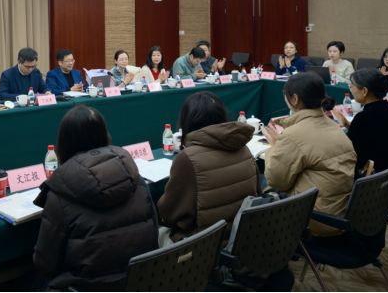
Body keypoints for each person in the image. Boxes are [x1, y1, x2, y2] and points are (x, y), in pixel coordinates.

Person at [32, 105, 159, 291]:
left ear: (64, 142)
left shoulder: (59, 193)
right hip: (139, 282)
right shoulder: (135, 178)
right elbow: (153, 236)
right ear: (104, 134)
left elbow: (46, 264)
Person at [158, 92, 261, 245]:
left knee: (152, 229)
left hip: (203, 246)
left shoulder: (187, 159)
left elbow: (170, 215)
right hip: (242, 239)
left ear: (187, 121)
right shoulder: (244, 149)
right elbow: (258, 194)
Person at [261, 72, 356, 237]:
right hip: (340, 212)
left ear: (295, 99)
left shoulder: (293, 135)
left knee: (259, 180)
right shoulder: (333, 125)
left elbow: (277, 181)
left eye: (285, 93)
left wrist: (274, 147)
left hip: (312, 218)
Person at [333, 68, 388, 176]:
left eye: (352, 86)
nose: (351, 90)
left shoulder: (363, 118)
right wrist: (347, 125)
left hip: (369, 180)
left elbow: (350, 154)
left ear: (364, 91)